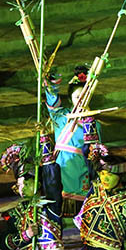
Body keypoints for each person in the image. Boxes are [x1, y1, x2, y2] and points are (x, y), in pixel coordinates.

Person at [45, 66, 102, 218]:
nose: (80, 101)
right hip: (62, 164)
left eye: (84, 97)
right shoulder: (61, 116)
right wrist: (52, 84)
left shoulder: (94, 124)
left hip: (80, 166)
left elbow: (96, 151)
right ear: (70, 98)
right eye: (77, 97)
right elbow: (52, 101)